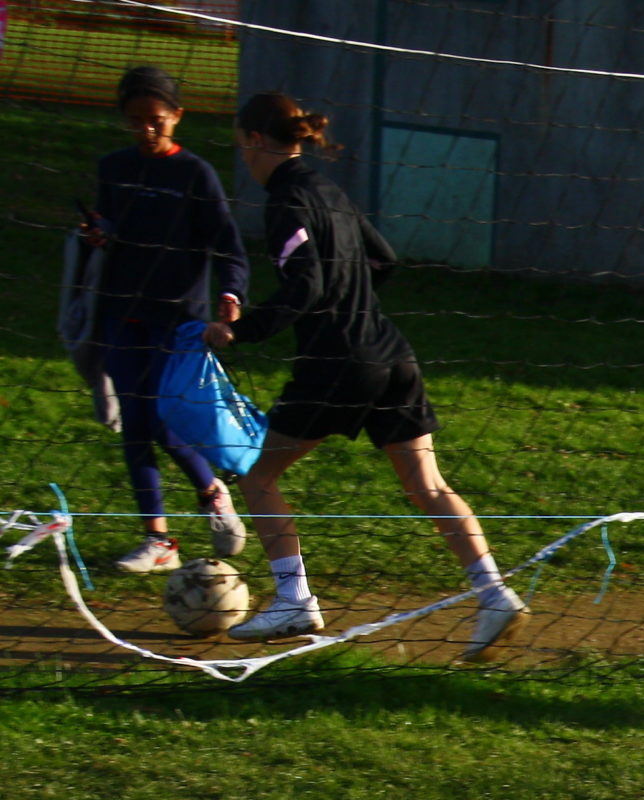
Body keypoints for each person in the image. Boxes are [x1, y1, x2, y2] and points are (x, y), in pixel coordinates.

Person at [205, 91, 524, 659]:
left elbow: (306, 284)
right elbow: (384, 260)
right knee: (428, 486)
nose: (243, 158)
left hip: (339, 363)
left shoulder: (285, 201)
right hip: (391, 352)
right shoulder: (328, 189)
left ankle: (294, 600)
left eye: (240, 145)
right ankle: (495, 595)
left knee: (257, 476)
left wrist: (241, 331)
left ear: (254, 140)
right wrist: (351, 301)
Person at [81, 63, 250, 576]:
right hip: (122, 313)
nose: (146, 129)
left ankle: (211, 491)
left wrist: (231, 293)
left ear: (177, 115)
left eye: (155, 119)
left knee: (163, 418)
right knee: (134, 422)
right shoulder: (113, 167)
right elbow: (108, 224)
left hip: (178, 319)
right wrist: (99, 234)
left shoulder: (195, 174)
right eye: (135, 120)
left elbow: (229, 245)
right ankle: (158, 538)